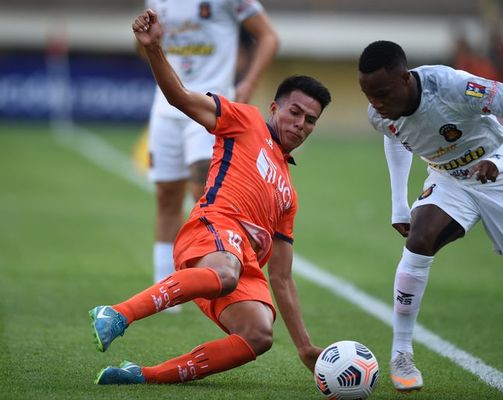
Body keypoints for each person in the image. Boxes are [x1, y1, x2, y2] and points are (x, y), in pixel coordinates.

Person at [88, 9, 331, 385]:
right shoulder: (244, 119)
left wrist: (303, 347)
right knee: (225, 272)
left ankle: (143, 377)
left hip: (240, 264)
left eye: (310, 120)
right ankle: (117, 313)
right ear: (275, 108)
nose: (300, 124)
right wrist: (154, 50)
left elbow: (281, 278)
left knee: (259, 333)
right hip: (213, 230)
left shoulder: (289, 193)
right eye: (295, 112)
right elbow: (180, 98)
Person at [358, 40, 503, 400]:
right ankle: (401, 353)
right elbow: (396, 138)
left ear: (405, 79)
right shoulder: (381, 112)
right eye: (369, 95)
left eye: (383, 93)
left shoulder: (451, 85)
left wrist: (500, 159)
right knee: (419, 239)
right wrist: (399, 204)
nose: (377, 104)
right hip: (451, 181)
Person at [145, 0, 279, 291]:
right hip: (165, 109)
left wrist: (247, 85)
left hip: (209, 107)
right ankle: (163, 290)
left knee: (205, 196)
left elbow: (269, 37)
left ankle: (222, 278)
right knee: (167, 196)